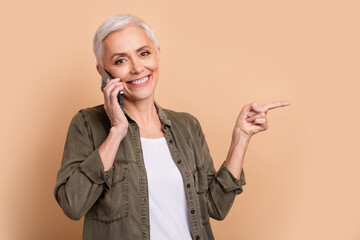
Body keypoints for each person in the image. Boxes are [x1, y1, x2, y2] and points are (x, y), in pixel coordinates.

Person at [54, 14, 291, 240]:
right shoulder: (87, 123)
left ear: (157, 55)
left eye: (144, 53)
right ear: (103, 72)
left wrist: (240, 139)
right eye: (121, 60)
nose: (137, 68)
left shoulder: (187, 126)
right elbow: (73, 205)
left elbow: (215, 207)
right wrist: (116, 130)